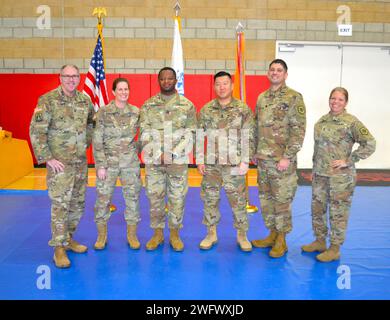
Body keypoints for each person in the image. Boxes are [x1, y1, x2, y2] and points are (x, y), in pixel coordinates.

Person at [29, 64, 95, 268]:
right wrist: (47, 158)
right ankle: (58, 248)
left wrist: (86, 143)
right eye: (67, 76)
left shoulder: (85, 100)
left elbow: (91, 123)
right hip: (60, 165)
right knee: (60, 205)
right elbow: (36, 130)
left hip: (80, 163)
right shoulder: (48, 100)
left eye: (75, 76)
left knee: (77, 204)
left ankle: (68, 239)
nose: (71, 79)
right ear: (60, 78)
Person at [301, 87, 376, 262]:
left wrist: (349, 160)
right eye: (333, 98)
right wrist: (314, 170)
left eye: (340, 99)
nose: (335, 102)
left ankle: (334, 249)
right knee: (317, 210)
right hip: (320, 175)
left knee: (338, 213)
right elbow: (317, 150)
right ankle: (320, 241)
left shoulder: (351, 122)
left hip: (340, 178)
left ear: (346, 102)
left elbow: (370, 143)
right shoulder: (321, 121)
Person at [251, 59, 306, 258]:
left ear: (285, 74)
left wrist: (288, 157)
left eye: (279, 70)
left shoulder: (294, 98)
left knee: (282, 201)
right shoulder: (261, 98)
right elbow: (255, 127)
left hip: (282, 162)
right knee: (266, 200)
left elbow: (298, 131)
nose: (275, 73)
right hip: (263, 160)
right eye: (272, 70)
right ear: (268, 73)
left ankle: (281, 239)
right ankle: (272, 233)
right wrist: (254, 152)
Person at [139, 67, 197, 251]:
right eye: (163, 79)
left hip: (177, 163)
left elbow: (191, 133)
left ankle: (174, 234)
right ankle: (157, 235)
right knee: (155, 198)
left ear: (175, 80)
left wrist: (173, 153)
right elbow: (144, 133)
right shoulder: (148, 105)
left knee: (177, 198)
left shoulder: (187, 105)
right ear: (159, 81)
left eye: (170, 78)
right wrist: (158, 153)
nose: (166, 81)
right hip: (154, 163)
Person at [197, 71, 256, 252]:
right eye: (218, 84)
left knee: (238, 200)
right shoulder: (207, 110)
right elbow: (199, 136)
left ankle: (242, 235)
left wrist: (245, 161)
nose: (221, 87)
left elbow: (249, 136)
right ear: (214, 87)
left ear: (231, 86)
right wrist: (199, 159)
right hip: (212, 165)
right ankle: (211, 233)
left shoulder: (242, 109)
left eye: (225, 84)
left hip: (234, 165)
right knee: (210, 199)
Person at [93, 78, 141, 250]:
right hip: (108, 164)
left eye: (126, 89)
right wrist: (100, 165)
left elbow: (142, 136)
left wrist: (136, 151)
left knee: (133, 199)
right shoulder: (104, 112)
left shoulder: (136, 112)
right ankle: (101, 236)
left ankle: (132, 235)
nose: (123, 92)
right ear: (113, 92)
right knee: (103, 200)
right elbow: (97, 139)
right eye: (120, 89)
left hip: (130, 164)